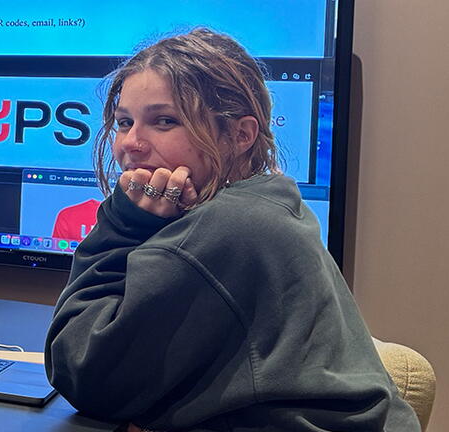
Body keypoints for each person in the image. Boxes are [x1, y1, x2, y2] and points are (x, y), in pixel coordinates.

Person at [44, 28, 418, 431]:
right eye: (123, 122)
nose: (131, 142)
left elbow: (81, 371)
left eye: (164, 121)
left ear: (241, 135)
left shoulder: (220, 229)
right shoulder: (271, 200)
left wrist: (121, 225)